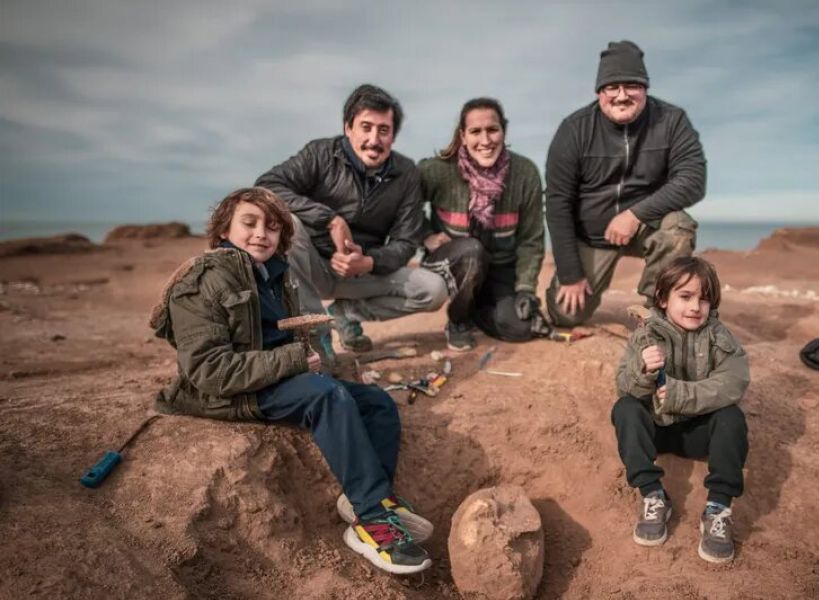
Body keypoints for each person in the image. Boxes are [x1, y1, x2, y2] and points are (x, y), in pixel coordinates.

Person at [149, 187, 433, 575]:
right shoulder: (202, 281)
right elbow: (209, 372)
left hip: (270, 379)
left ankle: (370, 498)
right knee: (327, 396)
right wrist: (295, 359)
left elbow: (278, 339)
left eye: (272, 227)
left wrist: (303, 356)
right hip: (221, 394)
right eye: (249, 224)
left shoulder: (274, 276)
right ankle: (371, 524)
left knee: (376, 403)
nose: (261, 234)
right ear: (223, 231)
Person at [255, 84, 447, 360]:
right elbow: (267, 188)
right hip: (310, 267)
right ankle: (316, 338)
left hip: (362, 272)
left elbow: (406, 241)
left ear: (393, 135)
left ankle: (346, 313)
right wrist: (330, 219)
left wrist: (368, 261)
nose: (374, 139)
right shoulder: (320, 153)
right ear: (348, 127)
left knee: (434, 290)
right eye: (366, 127)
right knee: (291, 223)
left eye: (384, 130)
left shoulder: (407, 174)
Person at [545, 40, 707, 327]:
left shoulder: (671, 120)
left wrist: (635, 215)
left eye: (632, 85)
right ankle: (571, 288)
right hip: (592, 235)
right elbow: (558, 203)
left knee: (678, 227)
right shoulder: (574, 129)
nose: (621, 95)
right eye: (612, 87)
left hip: (647, 225)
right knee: (565, 314)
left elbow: (693, 180)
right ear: (599, 92)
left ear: (645, 88)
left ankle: (657, 316)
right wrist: (570, 274)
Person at [611, 256, 750, 563]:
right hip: (656, 430)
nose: (695, 307)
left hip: (699, 433)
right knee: (625, 409)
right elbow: (624, 385)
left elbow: (734, 382)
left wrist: (680, 393)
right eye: (685, 297)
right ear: (663, 298)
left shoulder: (719, 336)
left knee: (732, 417)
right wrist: (643, 369)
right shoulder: (646, 335)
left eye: (704, 299)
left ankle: (718, 508)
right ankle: (653, 494)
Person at [418, 97, 547, 351]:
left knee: (520, 328)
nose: (485, 141)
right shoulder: (436, 170)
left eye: (492, 130)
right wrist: (425, 235)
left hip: (500, 267)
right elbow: (403, 206)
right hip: (452, 264)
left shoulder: (525, 173)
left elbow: (531, 240)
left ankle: (477, 310)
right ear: (462, 136)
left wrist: (525, 290)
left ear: (503, 131)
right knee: (472, 252)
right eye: (476, 132)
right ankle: (458, 320)